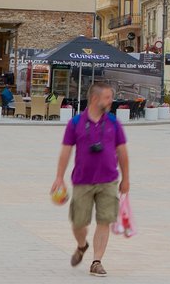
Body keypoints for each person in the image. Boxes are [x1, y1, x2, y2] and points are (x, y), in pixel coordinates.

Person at [51, 82, 130, 278]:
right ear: (95, 99)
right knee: (79, 223)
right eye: (107, 97)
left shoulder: (113, 123)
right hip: (82, 181)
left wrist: (126, 179)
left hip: (109, 181)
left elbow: (122, 152)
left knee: (104, 220)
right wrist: (59, 177)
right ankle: (81, 245)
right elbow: (66, 151)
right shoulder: (75, 123)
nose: (111, 101)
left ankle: (97, 261)